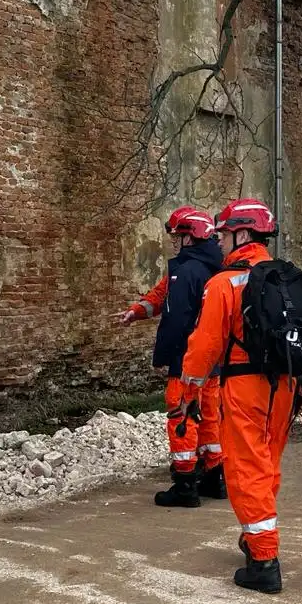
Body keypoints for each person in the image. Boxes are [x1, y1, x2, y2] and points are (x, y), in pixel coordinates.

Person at [180, 198, 299, 594]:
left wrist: (188, 389)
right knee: (266, 462)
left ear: (243, 233)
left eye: (225, 234)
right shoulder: (284, 276)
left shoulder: (224, 283)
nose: (219, 241)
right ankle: (255, 537)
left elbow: (204, 346)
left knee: (247, 467)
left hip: (246, 385)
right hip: (286, 384)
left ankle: (264, 560)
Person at [116, 206, 227, 507]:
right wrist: (136, 311)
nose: (173, 242)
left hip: (187, 358)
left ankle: (185, 485)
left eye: (177, 237)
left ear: (190, 238)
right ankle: (214, 477)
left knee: (182, 417)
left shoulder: (185, 271)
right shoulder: (215, 268)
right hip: (213, 360)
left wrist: (166, 355)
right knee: (210, 416)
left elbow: (176, 317)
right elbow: (160, 294)